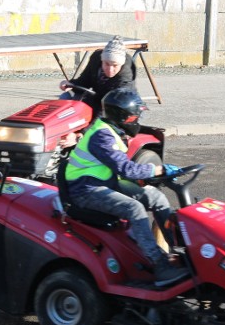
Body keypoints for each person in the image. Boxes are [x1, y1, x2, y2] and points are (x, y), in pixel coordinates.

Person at [63, 88, 190, 287]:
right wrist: (157, 170)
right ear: (124, 117)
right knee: (134, 208)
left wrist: (153, 175)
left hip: (105, 182)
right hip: (86, 190)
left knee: (157, 198)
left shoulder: (112, 131)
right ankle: (159, 265)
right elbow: (126, 169)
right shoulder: (101, 136)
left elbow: (122, 169)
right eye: (135, 115)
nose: (137, 118)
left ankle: (181, 251)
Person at [59, 35, 135, 115]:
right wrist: (71, 84)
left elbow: (118, 102)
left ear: (121, 64)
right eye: (106, 64)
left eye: (115, 65)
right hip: (95, 100)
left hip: (115, 109)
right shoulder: (96, 60)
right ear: (102, 60)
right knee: (65, 97)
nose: (110, 69)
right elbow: (84, 81)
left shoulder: (125, 76)